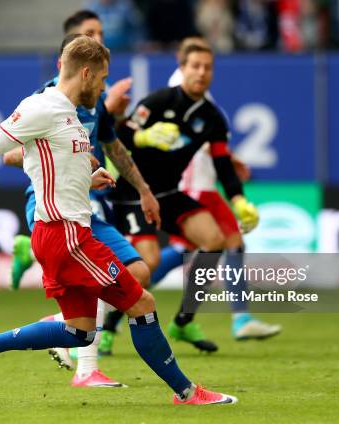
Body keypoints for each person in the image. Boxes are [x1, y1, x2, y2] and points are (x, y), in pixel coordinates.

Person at [0, 35, 237, 406]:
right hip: (66, 236)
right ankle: (186, 392)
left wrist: (89, 178)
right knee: (143, 304)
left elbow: (47, 168)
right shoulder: (43, 107)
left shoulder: (71, 114)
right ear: (86, 74)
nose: (105, 87)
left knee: (80, 333)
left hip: (62, 234)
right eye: (102, 79)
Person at [5, 11, 164, 389]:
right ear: (71, 53)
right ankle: (85, 365)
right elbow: (10, 152)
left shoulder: (98, 101)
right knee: (128, 279)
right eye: (89, 34)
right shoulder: (48, 100)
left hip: (87, 202)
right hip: (55, 205)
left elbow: (114, 147)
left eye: (101, 33)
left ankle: (63, 333)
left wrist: (143, 190)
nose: (99, 40)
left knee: (137, 272)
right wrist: (68, 160)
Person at [108, 41, 262, 353]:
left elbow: (222, 163)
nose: (202, 73)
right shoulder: (160, 100)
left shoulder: (213, 118)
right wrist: (143, 135)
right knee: (147, 264)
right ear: (182, 69)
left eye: (208, 67)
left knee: (215, 240)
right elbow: (118, 135)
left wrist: (239, 200)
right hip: (134, 192)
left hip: (168, 192)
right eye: (195, 66)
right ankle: (108, 329)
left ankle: (182, 321)